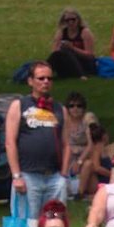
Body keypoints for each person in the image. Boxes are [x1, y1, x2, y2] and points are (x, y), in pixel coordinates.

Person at [6, 62, 68, 213]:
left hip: (54, 176)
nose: (46, 81)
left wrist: (64, 175)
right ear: (30, 81)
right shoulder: (19, 105)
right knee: (27, 226)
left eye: (49, 78)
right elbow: (10, 142)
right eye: (41, 78)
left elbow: (67, 144)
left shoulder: (60, 109)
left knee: (54, 224)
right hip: (28, 176)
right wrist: (16, 175)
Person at [48, 9, 97, 79]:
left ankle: (81, 75)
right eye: (67, 20)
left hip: (84, 64)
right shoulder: (61, 33)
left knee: (68, 51)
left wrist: (73, 48)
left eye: (73, 19)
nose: (70, 22)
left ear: (78, 20)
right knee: (60, 53)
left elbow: (90, 55)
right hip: (68, 65)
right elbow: (54, 53)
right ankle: (43, 73)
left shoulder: (85, 32)